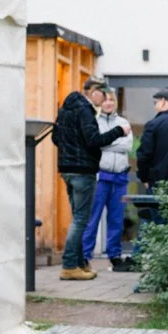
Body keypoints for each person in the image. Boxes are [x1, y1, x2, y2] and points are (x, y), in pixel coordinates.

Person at [52, 76, 131, 281]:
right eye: (103, 95)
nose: (104, 100)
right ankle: (70, 265)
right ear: (94, 92)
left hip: (67, 170)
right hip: (83, 171)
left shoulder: (66, 108)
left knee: (78, 218)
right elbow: (94, 140)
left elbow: (55, 137)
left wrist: (72, 150)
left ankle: (80, 264)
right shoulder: (85, 110)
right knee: (81, 220)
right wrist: (119, 131)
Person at [82, 89, 134, 272]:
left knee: (116, 219)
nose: (109, 103)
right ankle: (84, 256)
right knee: (93, 218)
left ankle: (115, 256)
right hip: (101, 176)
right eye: (105, 100)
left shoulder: (123, 122)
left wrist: (106, 143)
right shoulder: (94, 122)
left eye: (112, 100)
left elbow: (127, 145)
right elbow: (96, 143)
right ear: (100, 102)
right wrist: (108, 141)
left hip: (120, 177)